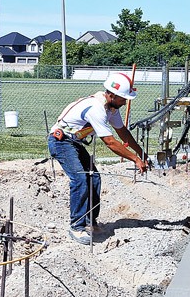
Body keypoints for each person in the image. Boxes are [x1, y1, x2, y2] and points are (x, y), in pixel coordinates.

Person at [48, 72, 149, 245]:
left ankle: (90, 222)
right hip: (61, 142)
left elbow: (121, 132)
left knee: (94, 178)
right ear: (111, 94)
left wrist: (140, 151)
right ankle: (77, 227)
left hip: (74, 142)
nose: (125, 102)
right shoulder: (96, 108)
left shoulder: (111, 108)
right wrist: (135, 160)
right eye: (123, 98)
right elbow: (110, 142)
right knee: (80, 179)